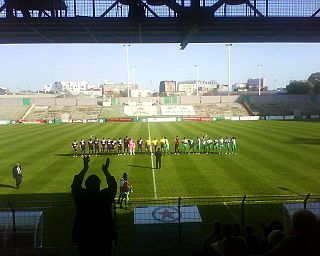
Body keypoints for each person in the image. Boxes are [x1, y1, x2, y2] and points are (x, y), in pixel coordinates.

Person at [71, 156, 117, 256]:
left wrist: (84, 168)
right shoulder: (104, 196)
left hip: (84, 234)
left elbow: (75, 186)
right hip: (103, 234)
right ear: (99, 185)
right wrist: (106, 171)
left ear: (86, 185)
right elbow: (113, 186)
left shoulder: (81, 197)